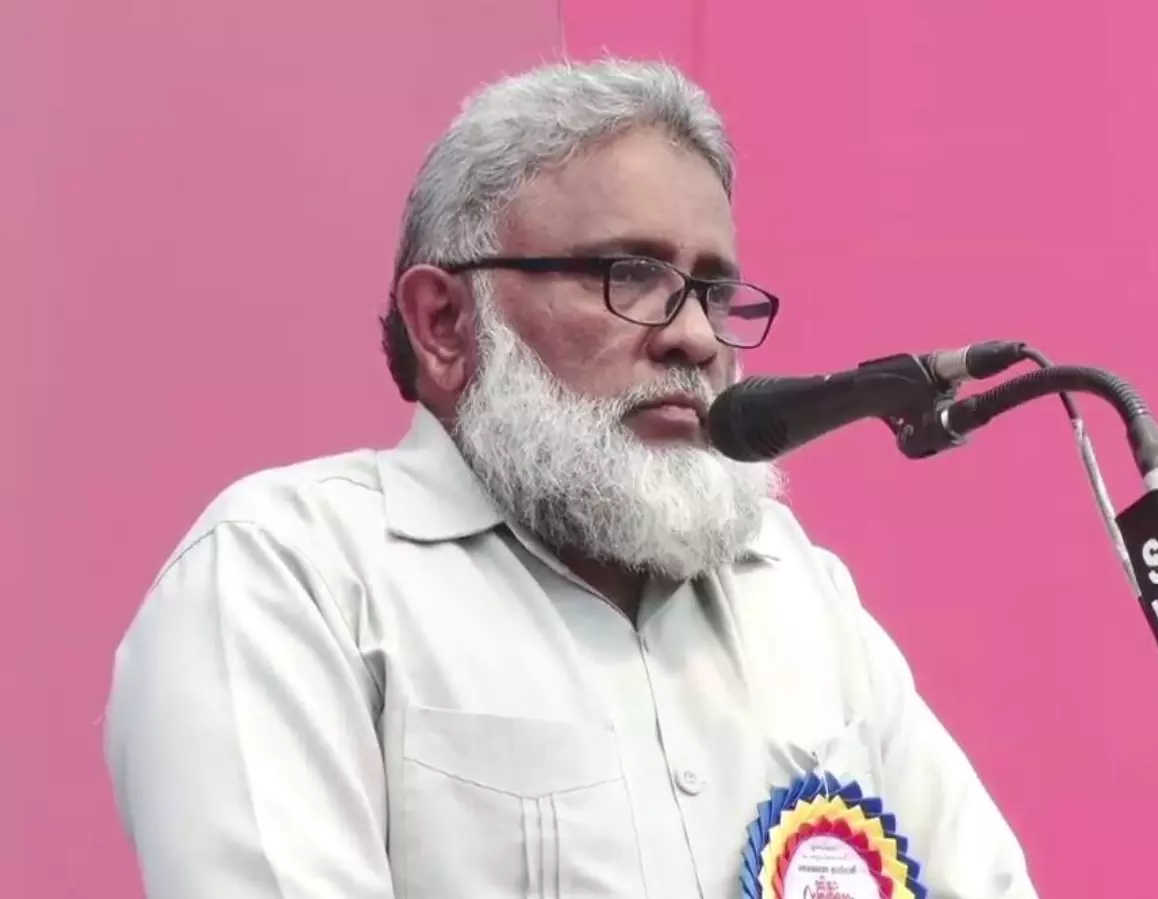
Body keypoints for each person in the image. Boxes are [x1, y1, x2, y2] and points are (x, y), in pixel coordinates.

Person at [104, 57, 1039, 899]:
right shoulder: (290, 573)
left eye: (715, 291)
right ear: (444, 323)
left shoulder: (799, 594)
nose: (696, 337)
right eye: (629, 275)